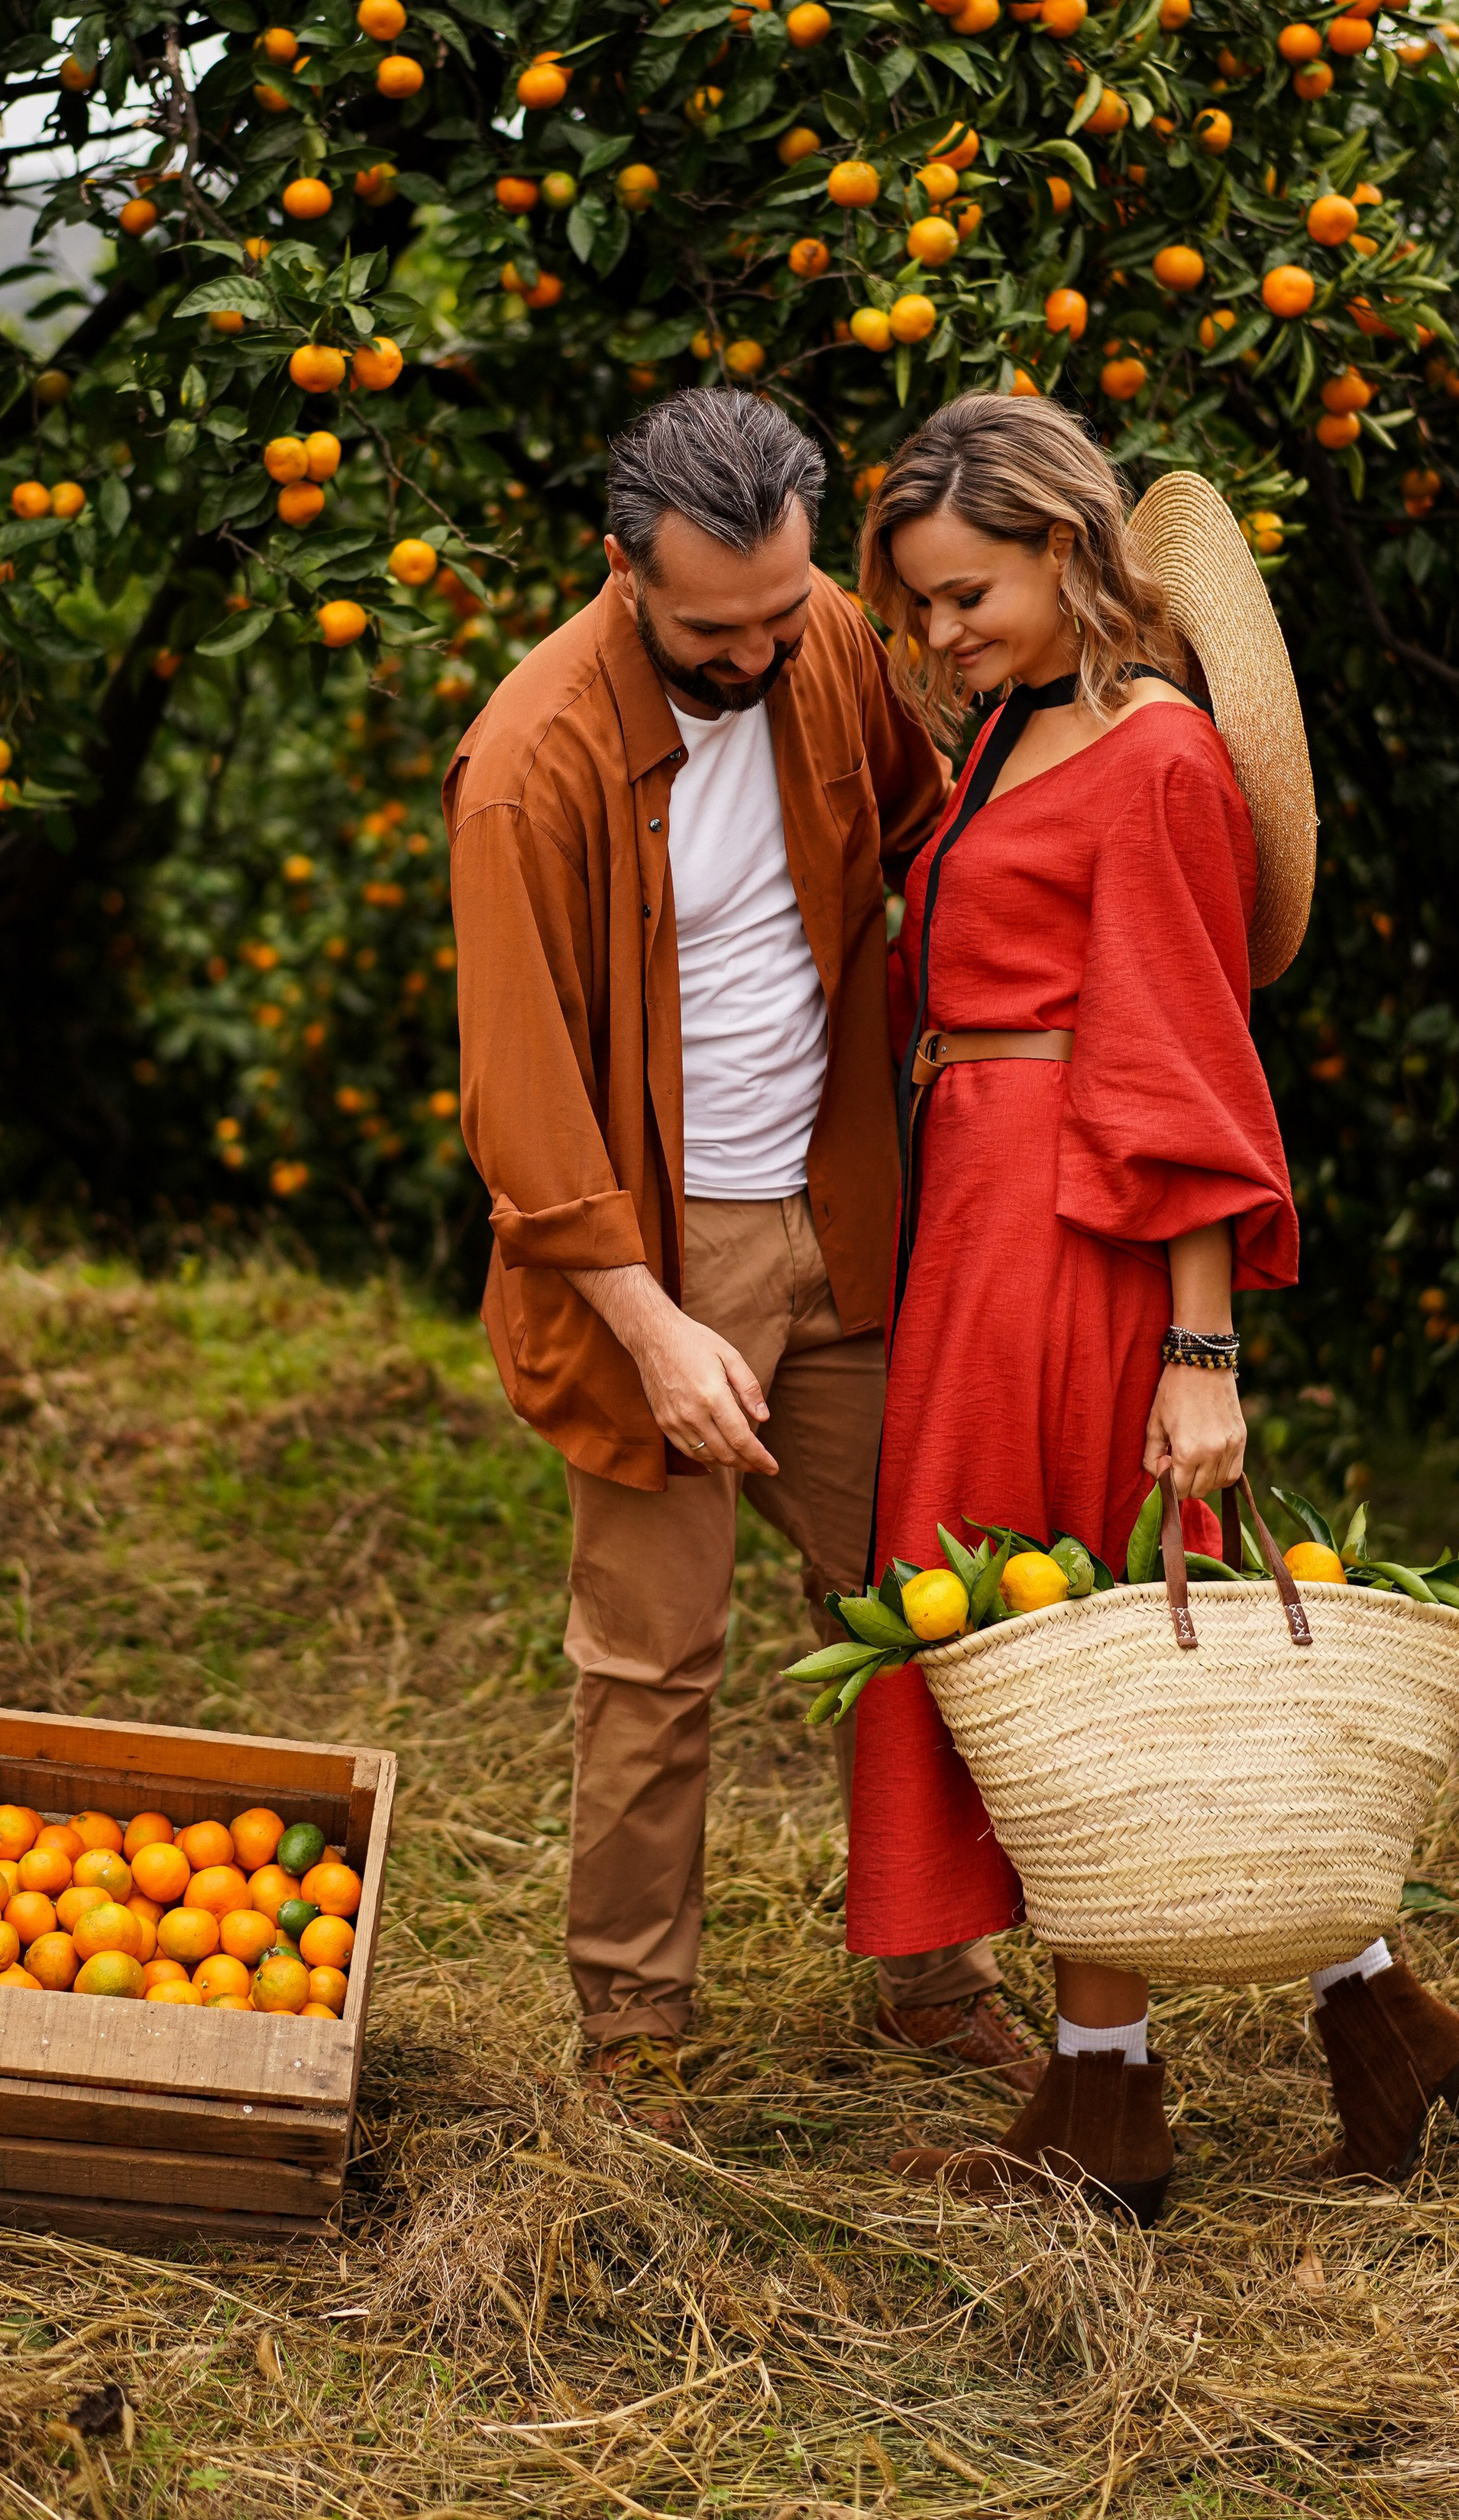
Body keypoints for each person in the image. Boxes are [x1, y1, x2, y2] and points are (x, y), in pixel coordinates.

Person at [844, 394, 1459, 2221]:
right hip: (980, 1220)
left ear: (1067, 552)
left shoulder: (1151, 758)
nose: (939, 635)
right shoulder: (1010, 738)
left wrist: (1199, 1350)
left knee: (1073, 1647)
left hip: (1077, 1235)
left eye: (965, 594)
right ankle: (1378, 2030)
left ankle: (1106, 2108)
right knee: (1074, 1644)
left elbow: (1178, 1063)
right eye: (915, 607)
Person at [444, 386, 1053, 2130]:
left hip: (841, 1206)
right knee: (653, 1663)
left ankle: (936, 1977)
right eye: (716, 629)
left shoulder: (825, 641)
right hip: (648, 1245)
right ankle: (634, 2038)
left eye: (783, 615)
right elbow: (521, 1093)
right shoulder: (533, 762)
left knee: (929, 1601)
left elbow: (931, 842)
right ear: (622, 573)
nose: (758, 653)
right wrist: (642, 1321)